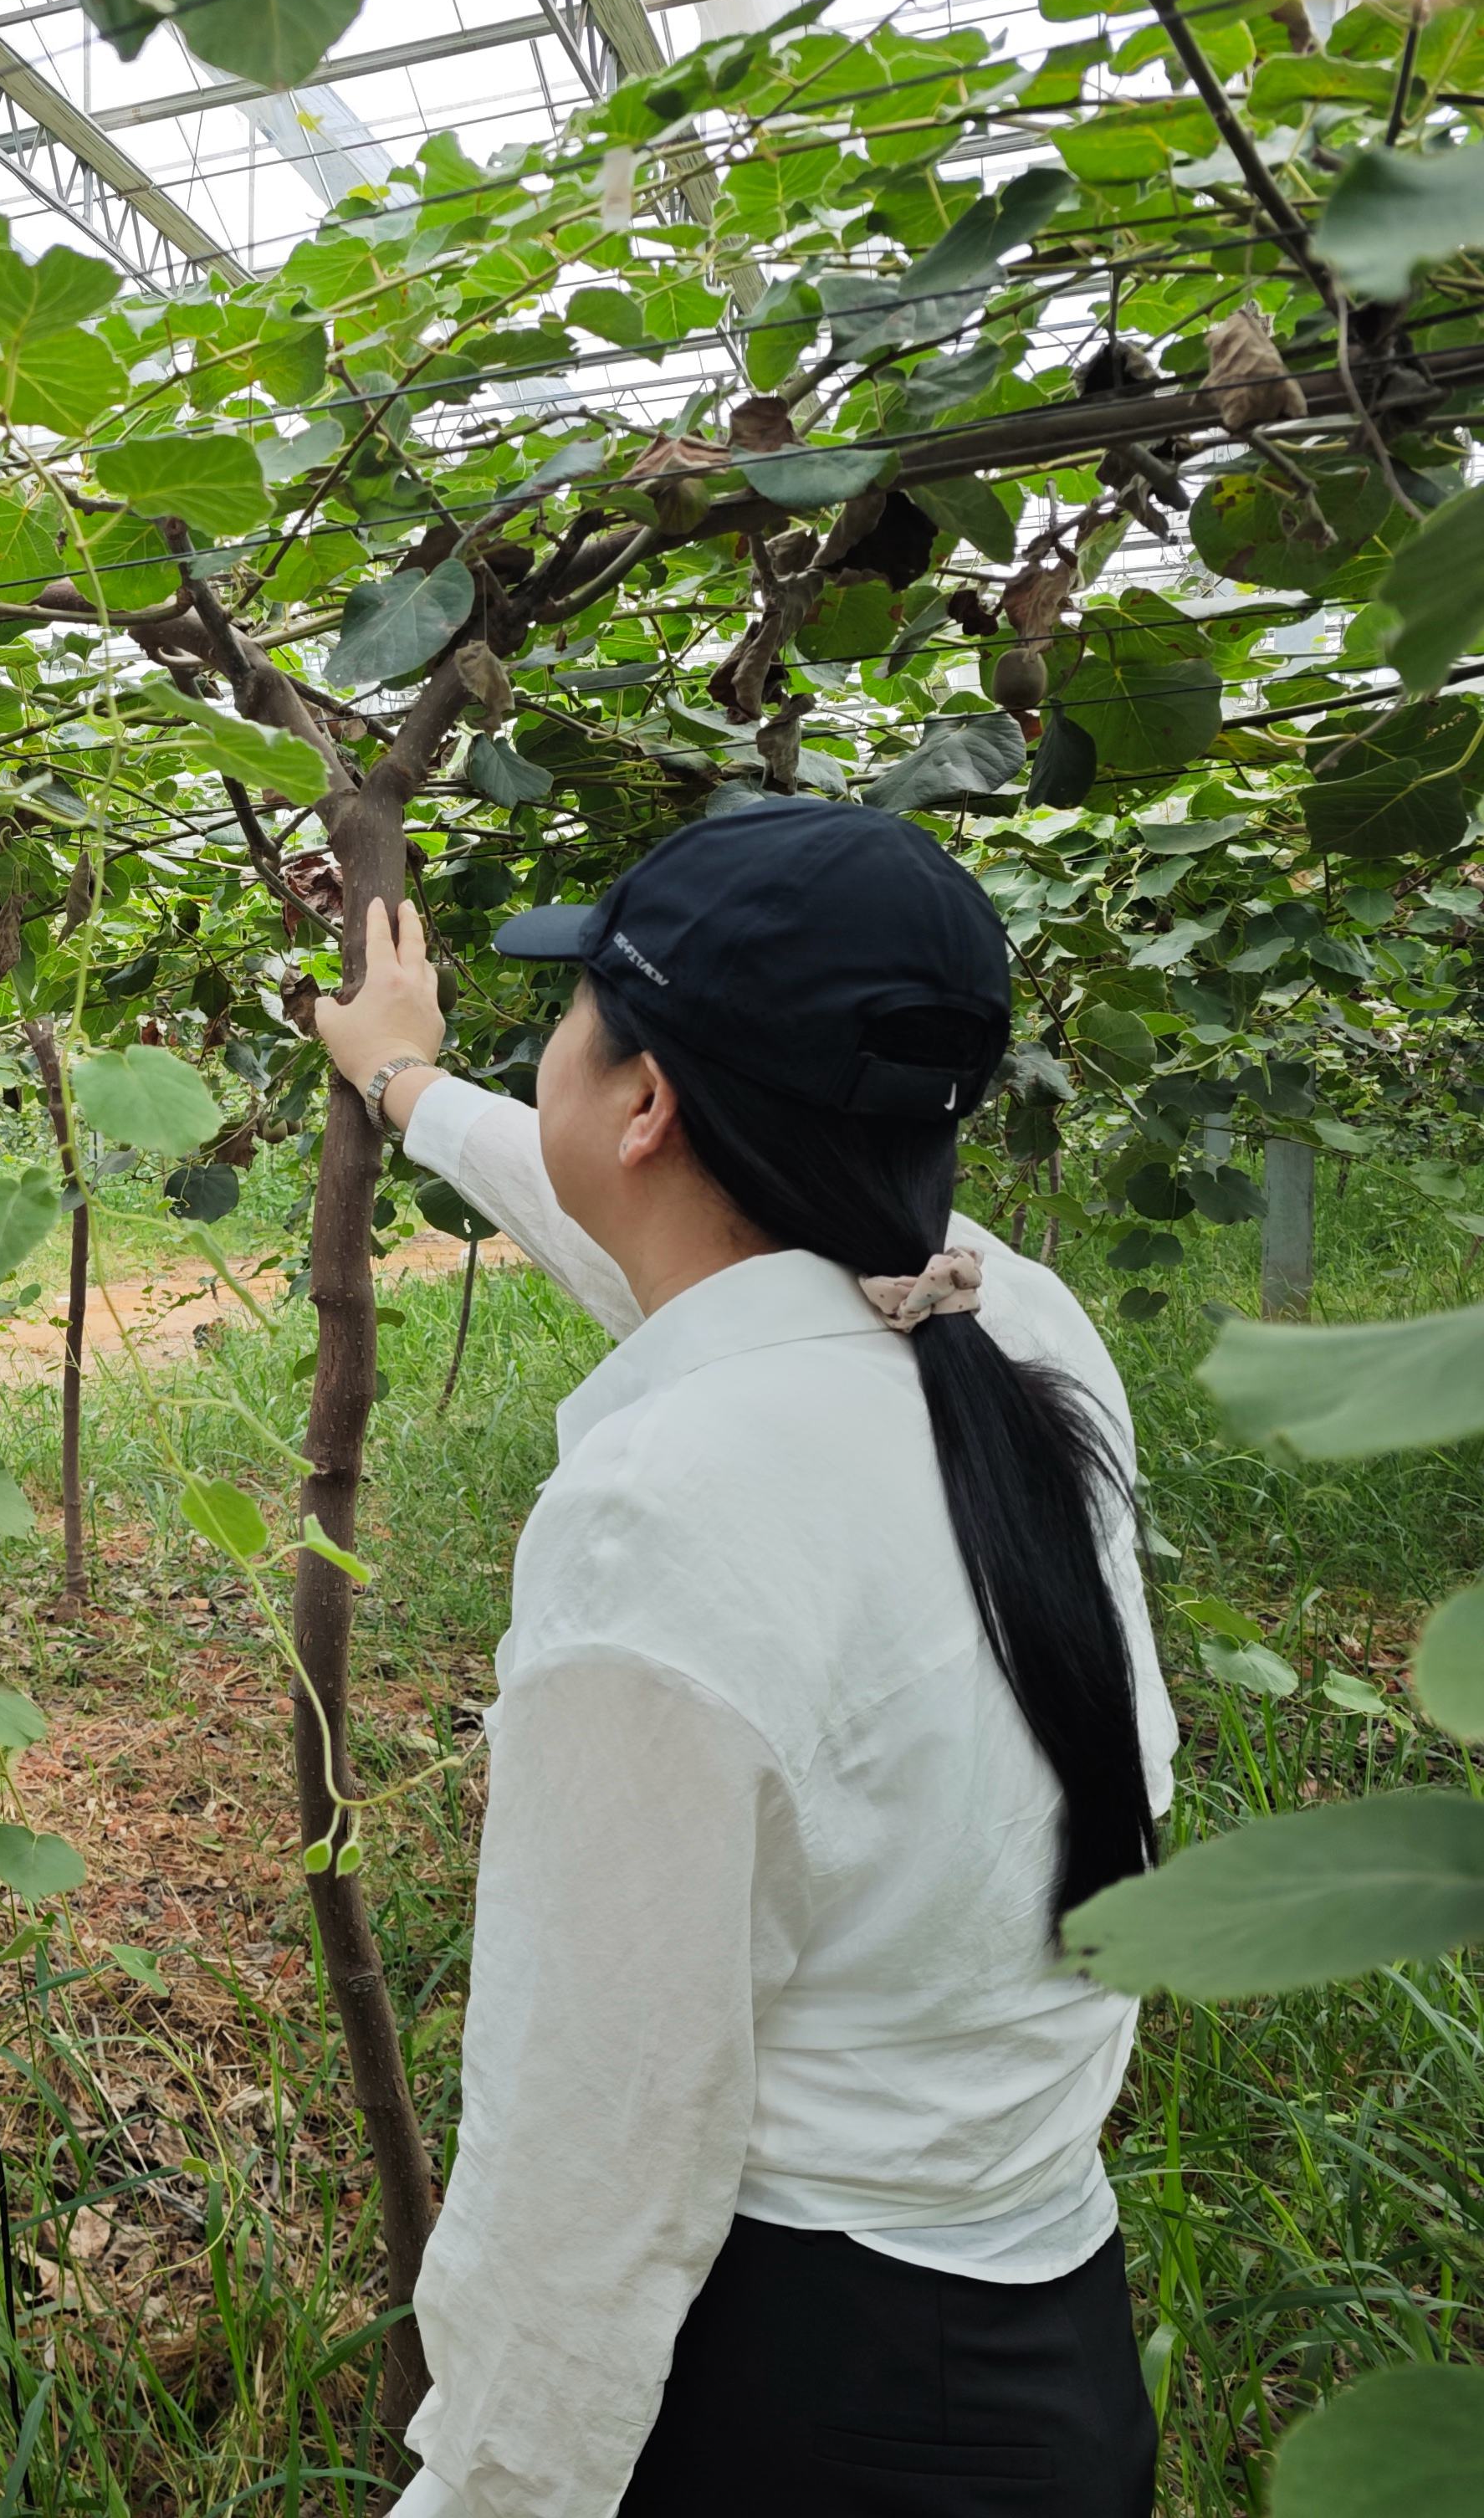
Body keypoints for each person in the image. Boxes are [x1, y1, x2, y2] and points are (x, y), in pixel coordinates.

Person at [310, 800, 1174, 2515]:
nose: (548, 1041)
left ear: (642, 1103)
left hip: (790, 2385)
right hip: (1040, 2346)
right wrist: (404, 1092)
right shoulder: (1008, 1324)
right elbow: (683, 1258)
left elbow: (600, 2140)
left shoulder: (665, 1511)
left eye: (571, 1016)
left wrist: (482, 2488)